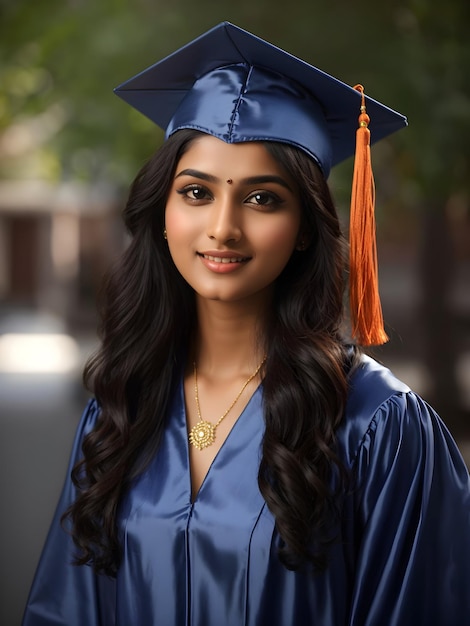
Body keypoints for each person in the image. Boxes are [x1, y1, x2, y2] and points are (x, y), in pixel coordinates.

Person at [22, 22, 470, 626]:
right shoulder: (124, 407)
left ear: (306, 226)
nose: (223, 227)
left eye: (263, 198)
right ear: (162, 212)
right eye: (196, 192)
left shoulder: (376, 425)